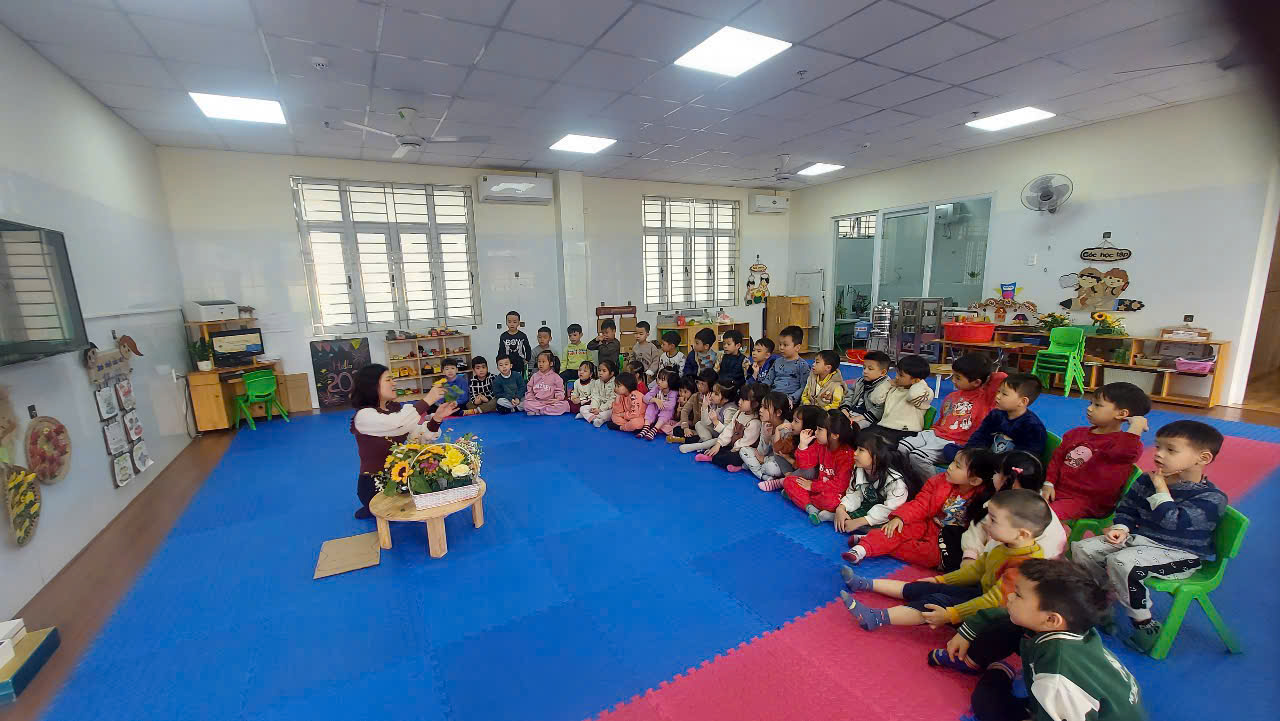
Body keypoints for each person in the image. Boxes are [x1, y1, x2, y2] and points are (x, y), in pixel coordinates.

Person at [1072, 420, 1227, 654]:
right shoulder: (1148, 480)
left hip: (1180, 555)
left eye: (1171, 450)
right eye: (1158, 447)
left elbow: (1172, 521)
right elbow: (1128, 508)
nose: (1159, 454)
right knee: (1084, 549)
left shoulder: (1211, 498)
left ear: (1202, 458)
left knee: (1122, 562)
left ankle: (1144, 624)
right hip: (1141, 541)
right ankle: (1101, 601)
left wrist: (1162, 489)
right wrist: (1122, 527)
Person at [942, 558, 1146, 721]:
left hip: (1079, 708)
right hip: (1099, 701)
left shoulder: (1056, 677)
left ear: (1051, 619)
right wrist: (967, 631)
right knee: (1011, 625)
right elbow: (1004, 615)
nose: (1010, 596)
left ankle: (999, 672)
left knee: (986, 705)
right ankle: (983, 664)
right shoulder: (1075, 626)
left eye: (1018, 595)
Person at [839, 489, 1051, 631]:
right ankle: (864, 584)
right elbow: (975, 571)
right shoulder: (1005, 545)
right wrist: (940, 580)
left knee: (935, 603)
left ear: (1022, 533)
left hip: (994, 616)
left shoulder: (1025, 566)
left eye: (994, 520)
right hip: (980, 593)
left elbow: (992, 602)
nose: (986, 523)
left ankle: (876, 618)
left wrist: (952, 614)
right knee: (928, 587)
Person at [843, 447, 999, 569]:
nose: (950, 467)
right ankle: (862, 548)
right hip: (927, 522)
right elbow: (921, 503)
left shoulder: (984, 500)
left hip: (947, 538)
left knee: (931, 556)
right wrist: (900, 517)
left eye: (957, 466)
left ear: (974, 481)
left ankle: (874, 539)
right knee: (896, 529)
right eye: (952, 462)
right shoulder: (939, 481)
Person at [350, 365, 455, 518]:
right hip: (375, 485)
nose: (394, 383)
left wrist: (437, 418)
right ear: (372, 385)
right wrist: (428, 400)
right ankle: (371, 507)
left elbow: (417, 436)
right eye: (388, 380)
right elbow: (398, 424)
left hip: (399, 477)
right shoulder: (363, 416)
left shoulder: (394, 411)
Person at [1044, 382, 1150, 521]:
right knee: (1022, 505)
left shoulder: (1125, 445)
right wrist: (1049, 483)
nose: (1089, 408)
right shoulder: (1076, 433)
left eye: (1098, 405)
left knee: (1040, 517)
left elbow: (1124, 453)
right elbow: (1057, 460)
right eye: (1091, 403)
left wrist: (1136, 428)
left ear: (1122, 414)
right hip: (1057, 490)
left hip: (1087, 502)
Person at [899, 353, 1006, 477]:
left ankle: (932, 485)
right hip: (935, 434)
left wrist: (984, 372)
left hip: (955, 441)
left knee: (918, 457)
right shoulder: (951, 396)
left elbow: (1001, 377)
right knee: (901, 447)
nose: (953, 380)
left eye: (958, 378)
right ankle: (907, 479)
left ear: (977, 382)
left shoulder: (985, 397)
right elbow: (943, 418)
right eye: (953, 375)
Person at [961, 452, 1067, 564]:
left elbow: (998, 560)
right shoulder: (1008, 499)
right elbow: (979, 526)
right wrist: (970, 555)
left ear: (1011, 481)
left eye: (997, 473)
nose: (993, 476)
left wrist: (974, 564)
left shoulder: (1022, 517)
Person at [834, 430, 924, 536]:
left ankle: (865, 535)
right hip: (874, 504)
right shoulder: (859, 468)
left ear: (877, 456)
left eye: (861, 450)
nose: (855, 453)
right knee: (851, 511)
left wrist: (859, 522)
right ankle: (861, 530)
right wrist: (841, 508)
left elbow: (890, 510)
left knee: (893, 529)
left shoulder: (896, 482)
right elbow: (854, 493)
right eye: (856, 448)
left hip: (894, 512)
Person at [784, 410, 858, 525]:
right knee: (789, 481)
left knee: (830, 501)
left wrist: (812, 486)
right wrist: (803, 445)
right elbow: (805, 466)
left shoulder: (847, 455)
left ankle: (801, 499)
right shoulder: (820, 444)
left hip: (832, 493)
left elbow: (840, 486)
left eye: (819, 429)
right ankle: (811, 509)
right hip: (818, 488)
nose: (816, 432)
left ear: (834, 435)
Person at [960, 373, 1046, 459]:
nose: (997, 396)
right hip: (985, 459)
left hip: (1008, 464)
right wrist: (969, 454)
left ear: (1023, 401)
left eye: (1004, 394)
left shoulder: (1032, 426)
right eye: (998, 391)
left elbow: (1026, 458)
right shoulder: (995, 415)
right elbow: (979, 437)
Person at [874, 354, 935, 444]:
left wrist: (919, 383)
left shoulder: (925, 392)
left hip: (906, 431)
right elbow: (875, 399)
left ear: (916, 380)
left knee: (879, 444)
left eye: (901, 375)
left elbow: (912, 396)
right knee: (864, 437)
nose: (896, 377)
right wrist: (887, 384)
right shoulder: (894, 388)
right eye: (897, 372)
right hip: (885, 426)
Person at [737, 390, 795, 483]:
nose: (760, 410)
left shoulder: (786, 430)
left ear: (778, 412)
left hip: (778, 462)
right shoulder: (765, 423)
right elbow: (761, 452)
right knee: (744, 450)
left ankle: (752, 467)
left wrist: (764, 459)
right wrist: (766, 438)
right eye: (761, 406)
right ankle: (763, 476)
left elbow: (782, 457)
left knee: (772, 468)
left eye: (765, 408)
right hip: (765, 459)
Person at [701, 382, 765, 466]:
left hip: (742, 450)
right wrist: (718, 444)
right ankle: (715, 456)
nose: (739, 402)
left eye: (744, 400)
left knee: (730, 457)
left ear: (755, 404)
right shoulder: (739, 413)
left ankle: (740, 466)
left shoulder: (755, 422)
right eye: (740, 398)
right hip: (733, 446)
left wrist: (731, 450)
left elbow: (745, 443)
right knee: (717, 448)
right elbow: (729, 429)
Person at [839, 350, 892, 429]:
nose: (865, 371)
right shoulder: (859, 381)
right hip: (851, 412)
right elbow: (849, 395)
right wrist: (845, 409)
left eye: (870, 369)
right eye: (864, 367)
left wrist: (859, 418)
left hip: (867, 418)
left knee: (852, 428)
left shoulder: (885, 387)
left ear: (883, 372)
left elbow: (880, 409)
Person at [668, 369, 717, 442]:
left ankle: (688, 439)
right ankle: (692, 438)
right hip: (694, 427)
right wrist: (686, 428)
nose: (699, 386)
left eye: (703, 384)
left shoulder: (714, 399)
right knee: (677, 430)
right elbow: (685, 411)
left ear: (710, 386)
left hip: (707, 430)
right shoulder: (695, 396)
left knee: (700, 436)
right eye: (698, 382)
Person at [523, 351, 570, 416]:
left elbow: (560, 390)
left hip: (550, 402)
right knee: (526, 404)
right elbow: (529, 389)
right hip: (537, 401)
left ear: (551, 363)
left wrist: (557, 399)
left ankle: (540, 411)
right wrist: (531, 398)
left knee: (564, 405)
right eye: (539, 361)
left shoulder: (556, 377)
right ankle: (544, 410)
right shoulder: (534, 376)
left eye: (543, 362)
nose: (540, 364)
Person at [771, 325, 810, 405]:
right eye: (780, 344)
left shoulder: (802, 365)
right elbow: (768, 380)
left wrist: (792, 398)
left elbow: (804, 387)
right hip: (773, 396)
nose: (781, 348)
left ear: (797, 347)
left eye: (785, 345)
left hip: (789, 400)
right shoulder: (777, 362)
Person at [638, 369, 679, 440]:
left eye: (663, 380)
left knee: (666, 411)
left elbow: (671, 405)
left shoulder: (673, 392)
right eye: (659, 379)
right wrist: (655, 400)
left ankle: (654, 429)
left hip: (665, 416)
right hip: (656, 411)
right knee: (651, 405)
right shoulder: (657, 388)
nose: (659, 382)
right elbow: (645, 398)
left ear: (670, 382)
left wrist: (661, 403)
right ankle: (646, 427)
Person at [579, 359, 617, 427]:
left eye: (604, 371)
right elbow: (595, 396)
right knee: (582, 408)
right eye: (599, 370)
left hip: (609, 408)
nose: (600, 373)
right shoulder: (597, 382)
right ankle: (595, 419)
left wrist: (600, 409)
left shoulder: (615, 383)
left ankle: (589, 417)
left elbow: (612, 400)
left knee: (610, 414)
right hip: (598, 406)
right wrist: (594, 407)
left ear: (611, 373)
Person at [497, 310, 532, 375]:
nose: (512, 324)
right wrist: (499, 361)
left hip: (520, 362)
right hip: (507, 363)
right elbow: (501, 350)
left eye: (515, 322)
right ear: (506, 323)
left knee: (519, 377)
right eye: (509, 322)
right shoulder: (503, 336)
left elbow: (527, 348)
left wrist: (527, 359)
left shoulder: (522, 335)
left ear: (518, 323)